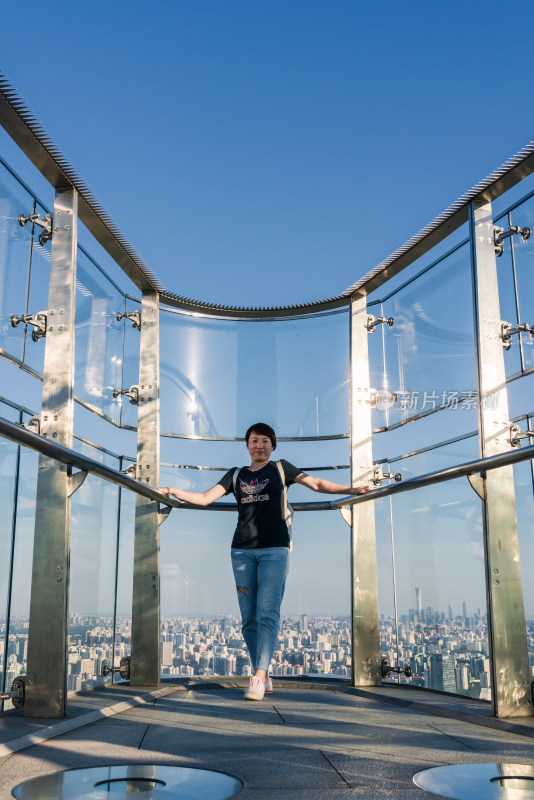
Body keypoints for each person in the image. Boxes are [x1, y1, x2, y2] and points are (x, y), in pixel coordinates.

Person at [159, 422, 370, 701]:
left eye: (265, 441)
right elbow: (205, 498)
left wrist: (351, 491)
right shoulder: (236, 475)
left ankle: (258, 675)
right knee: (248, 619)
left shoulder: (282, 468)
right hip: (241, 551)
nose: (259, 445)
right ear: (247, 445)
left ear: (273, 446)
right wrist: (172, 490)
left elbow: (316, 483)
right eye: (254, 440)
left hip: (275, 550)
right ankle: (265, 675)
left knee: (267, 613)